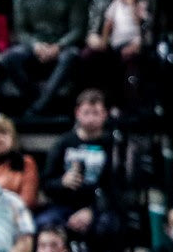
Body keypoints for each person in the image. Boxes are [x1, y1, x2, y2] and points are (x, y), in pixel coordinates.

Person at [1, 0, 88, 115]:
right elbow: (21, 30)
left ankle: (37, 109)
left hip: (63, 45)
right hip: (35, 45)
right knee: (10, 57)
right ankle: (41, 101)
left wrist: (58, 46)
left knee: (71, 56)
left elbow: (78, 29)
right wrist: (36, 45)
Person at [37, 89, 117, 235]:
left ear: (105, 114)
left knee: (109, 226)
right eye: (86, 113)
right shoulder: (63, 143)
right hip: (64, 205)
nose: (91, 118)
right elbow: (46, 182)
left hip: (98, 207)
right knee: (43, 222)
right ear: (77, 113)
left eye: (95, 113)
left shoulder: (112, 145)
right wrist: (62, 182)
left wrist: (92, 211)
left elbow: (116, 187)